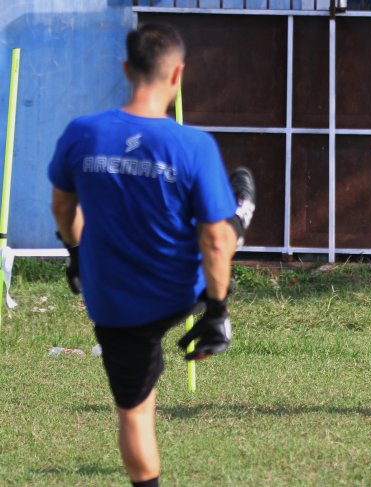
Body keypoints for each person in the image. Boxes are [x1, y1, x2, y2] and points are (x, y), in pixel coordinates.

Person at [48, 24, 256, 487]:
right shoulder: (193, 145)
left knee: (135, 414)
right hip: (181, 288)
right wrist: (219, 312)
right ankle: (240, 214)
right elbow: (215, 243)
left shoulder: (82, 135)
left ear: (126, 69)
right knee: (220, 230)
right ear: (177, 73)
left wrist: (76, 254)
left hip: (114, 300)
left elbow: (62, 207)